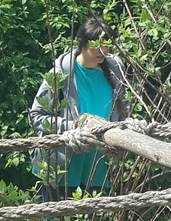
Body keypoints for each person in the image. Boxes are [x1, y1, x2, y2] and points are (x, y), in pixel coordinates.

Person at [28, 16, 130, 201]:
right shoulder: (60, 73)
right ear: (81, 43)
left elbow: (123, 115)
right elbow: (36, 116)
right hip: (60, 168)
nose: (103, 51)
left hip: (97, 168)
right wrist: (73, 128)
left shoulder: (116, 72)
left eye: (107, 45)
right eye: (97, 45)